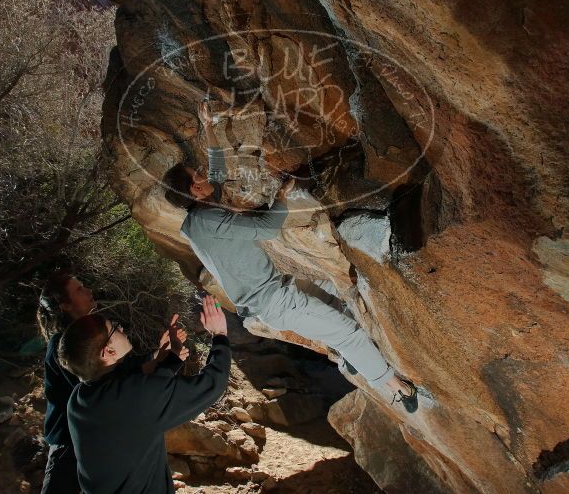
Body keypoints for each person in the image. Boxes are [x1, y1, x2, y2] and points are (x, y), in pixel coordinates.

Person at [162, 101, 418, 412]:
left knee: (333, 291)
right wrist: (282, 197)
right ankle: (397, 389)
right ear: (195, 189)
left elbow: (216, 176)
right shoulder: (209, 222)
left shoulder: (197, 218)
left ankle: (351, 359)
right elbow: (268, 227)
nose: (203, 175)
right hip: (276, 302)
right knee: (350, 333)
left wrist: (208, 130)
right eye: (197, 175)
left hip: (274, 293)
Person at [58, 294, 231, 494]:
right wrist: (220, 334)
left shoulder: (79, 399)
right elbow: (212, 384)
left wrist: (171, 356)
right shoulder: (133, 398)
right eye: (114, 328)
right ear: (109, 352)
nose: (121, 328)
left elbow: (133, 382)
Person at [37, 269, 187, 493]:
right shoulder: (65, 348)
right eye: (79, 289)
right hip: (69, 442)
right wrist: (165, 363)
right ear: (65, 306)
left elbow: (122, 370)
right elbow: (112, 387)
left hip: (96, 438)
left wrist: (160, 354)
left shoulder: (91, 333)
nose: (88, 290)